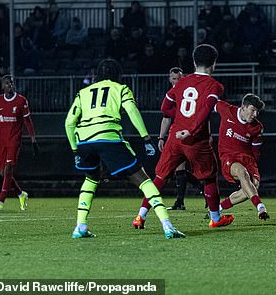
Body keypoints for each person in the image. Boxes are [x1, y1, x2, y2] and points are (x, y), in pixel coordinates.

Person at [65, 59, 185, 239]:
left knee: (91, 178)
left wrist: (75, 150)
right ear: (117, 75)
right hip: (108, 138)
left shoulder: (83, 92)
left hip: (84, 142)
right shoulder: (121, 89)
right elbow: (131, 110)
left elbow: (69, 122)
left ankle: (80, 226)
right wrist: (145, 137)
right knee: (143, 180)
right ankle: (167, 226)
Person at [132, 44, 234, 229]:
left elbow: (165, 107)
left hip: (174, 138)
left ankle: (140, 216)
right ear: (214, 63)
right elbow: (206, 108)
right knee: (210, 177)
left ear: (194, 62)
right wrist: (192, 129)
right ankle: (216, 218)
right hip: (196, 141)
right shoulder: (215, 86)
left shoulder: (182, 82)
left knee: (160, 178)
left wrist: (180, 119)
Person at [201, 94, 268, 219]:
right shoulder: (227, 110)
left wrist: (253, 167)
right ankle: (260, 206)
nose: (255, 114)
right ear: (243, 107)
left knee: (252, 187)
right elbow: (209, 102)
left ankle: (219, 208)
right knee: (242, 172)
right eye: (253, 110)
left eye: (257, 112)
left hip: (248, 159)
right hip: (229, 156)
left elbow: (255, 150)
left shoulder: (257, 127)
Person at [0, 75, 39, 212]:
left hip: (14, 140)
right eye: (7, 83)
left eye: (11, 83)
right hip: (2, 141)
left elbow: (28, 121)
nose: (10, 85)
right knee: (3, 173)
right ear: (3, 86)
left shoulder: (21, 101)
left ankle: (0, 202)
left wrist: (33, 140)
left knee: (8, 169)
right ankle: (21, 194)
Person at [153, 67, 199, 211]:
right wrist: (161, 137)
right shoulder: (170, 95)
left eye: (178, 78)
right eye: (173, 79)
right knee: (178, 167)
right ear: (169, 79)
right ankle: (198, 191)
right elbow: (166, 118)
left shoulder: (187, 94)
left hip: (188, 133)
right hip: (175, 134)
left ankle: (182, 201)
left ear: (183, 78)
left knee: (180, 167)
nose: (176, 81)